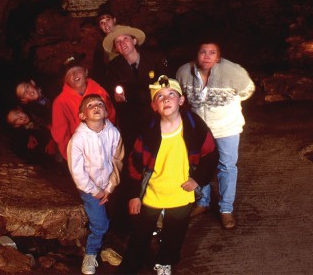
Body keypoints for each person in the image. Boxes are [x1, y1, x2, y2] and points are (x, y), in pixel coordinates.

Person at [119, 76, 217, 275]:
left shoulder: (193, 125)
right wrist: (133, 194)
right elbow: (134, 163)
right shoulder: (149, 131)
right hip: (152, 192)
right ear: (154, 106)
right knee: (141, 232)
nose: (166, 99)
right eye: (160, 97)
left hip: (181, 191)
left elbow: (211, 154)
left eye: (171, 94)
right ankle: (131, 265)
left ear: (181, 101)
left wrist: (198, 180)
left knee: (175, 232)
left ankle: (165, 261)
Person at [176, 41, 255, 229]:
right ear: (197, 54)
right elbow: (180, 95)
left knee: (226, 166)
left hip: (226, 127)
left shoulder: (232, 71)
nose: (207, 56)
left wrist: (224, 105)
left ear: (218, 57)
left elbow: (247, 91)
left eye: (212, 53)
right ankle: (203, 202)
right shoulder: (184, 72)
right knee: (199, 164)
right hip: (200, 130)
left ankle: (226, 209)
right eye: (203, 52)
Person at [67, 94, 124, 274]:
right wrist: (94, 190)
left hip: (109, 186)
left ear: (106, 111)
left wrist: (109, 187)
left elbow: (118, 160)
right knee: (100, 224)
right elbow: (77, 170)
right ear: (83, 115)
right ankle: (90, 254)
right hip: (89, 190)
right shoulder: (78, 139)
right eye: (90, 105)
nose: (96, 107)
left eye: (99, 104)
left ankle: (105, 246)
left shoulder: (113, 133)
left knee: (110, 219)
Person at [102, 25, 169, 149]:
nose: (122, 44)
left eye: (125, 39)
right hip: (131, 119)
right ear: (116, 48)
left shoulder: (154, 58)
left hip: (156, 114)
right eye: (118, 42)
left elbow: (167, 84)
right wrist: (117, 97)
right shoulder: (113, 67)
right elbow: (112, 92)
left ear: (134, 41)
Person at [51, 55, 116, 160]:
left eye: (77, 69)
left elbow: (111, 116)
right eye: (69, 73)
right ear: (65, 80)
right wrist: (74, 160)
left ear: (86, 72)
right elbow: (62, 136)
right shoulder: (60, 103)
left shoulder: (99, 91)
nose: (75, 74)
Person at [90, 11, 117, 85]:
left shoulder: (126, 37)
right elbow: (98, 68)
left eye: (108, 20)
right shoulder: (100, 45)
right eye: (102, 23)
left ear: (114, 20)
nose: (105, 24)